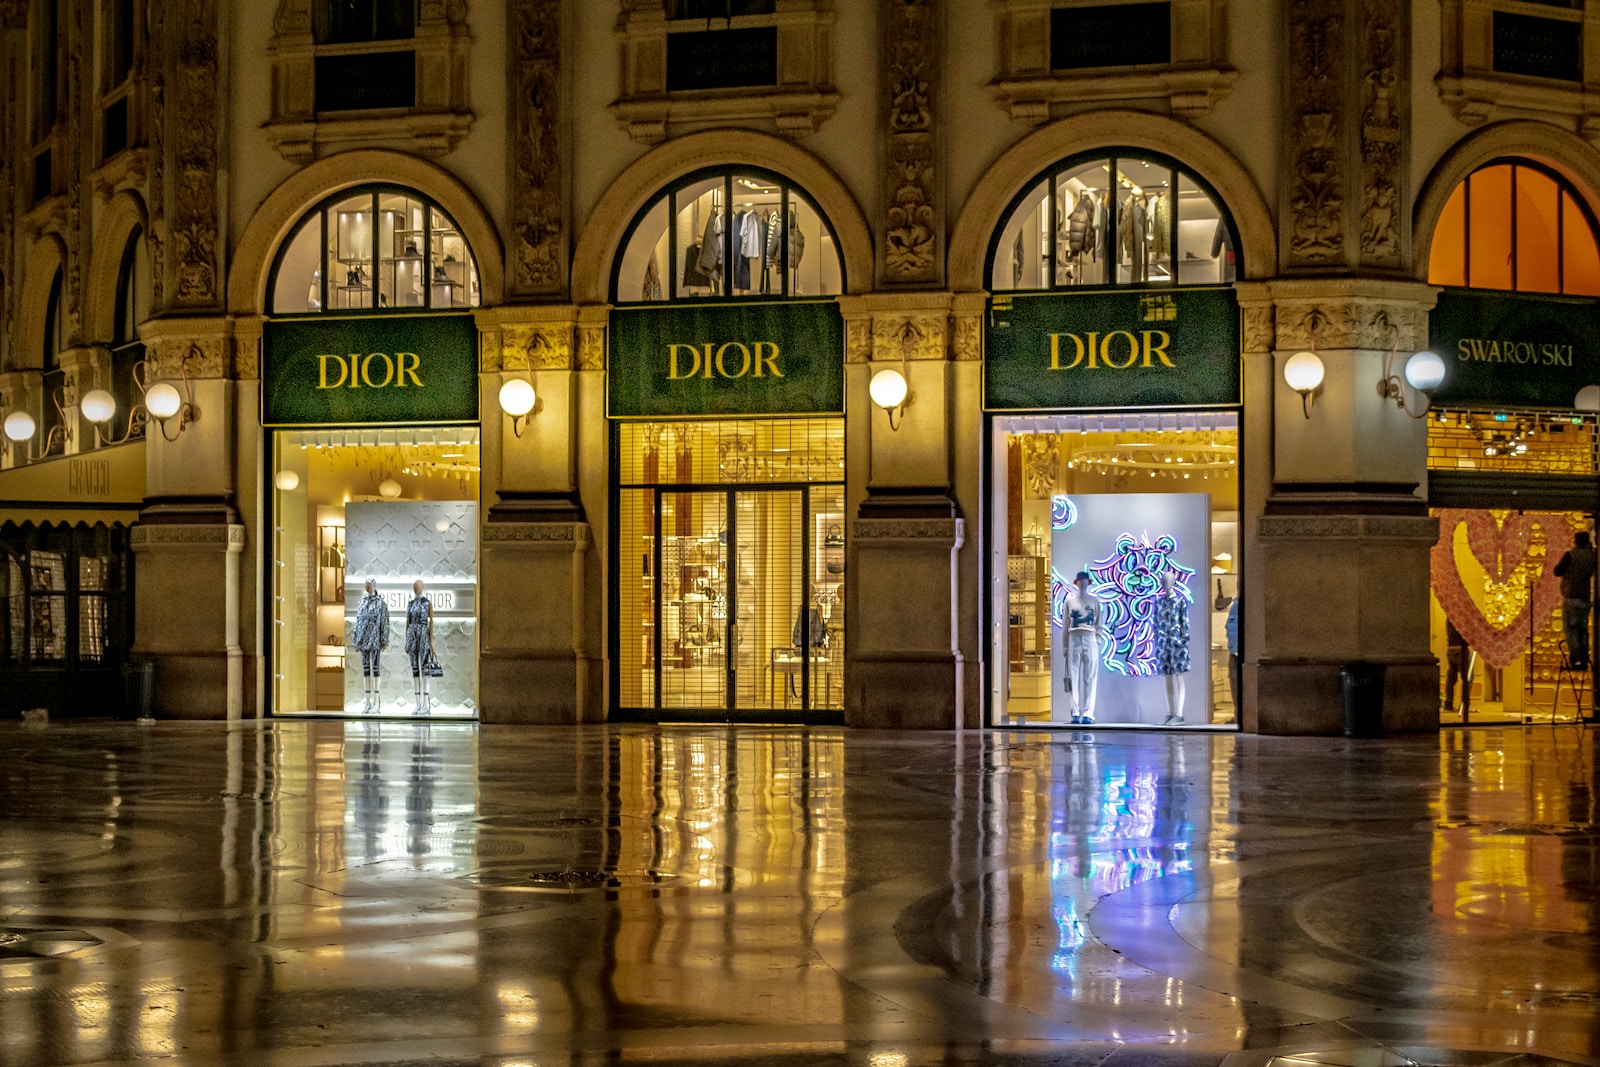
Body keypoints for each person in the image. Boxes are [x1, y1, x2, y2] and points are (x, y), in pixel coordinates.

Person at [1065, 571, 1105, 725]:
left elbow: (1099, 624)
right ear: (1077, 583)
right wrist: (1064, 646)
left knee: (1090, 678)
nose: (1082, 584)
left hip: (1090, 638)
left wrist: (1098, 639)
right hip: (1074, 637)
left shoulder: (1095, 602)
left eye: (1085, 581)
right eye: (1080, 581)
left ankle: (1088, 712)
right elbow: (1065, 625)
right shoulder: (1069, 601)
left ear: (1088, 583)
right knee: (1073, 677)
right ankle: (1075, 712)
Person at [1554, 531, 1597, 671]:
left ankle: (1576, 661)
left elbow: (1557, 571)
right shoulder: (1593, 556)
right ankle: (1584, 660)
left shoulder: (1570, 555)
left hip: (1571, 597)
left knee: (1572, 630)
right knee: (1583, 630)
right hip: (1585, 598)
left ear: (1576, 541)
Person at [1153, 572, 1191, 726]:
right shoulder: (1159, 602)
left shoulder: (1180, 601)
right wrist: (1157, 640)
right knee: (1167, 678)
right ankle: (1170, 712)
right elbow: (1155, 623)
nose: (1165, 583)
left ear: (1174, 582)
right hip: (1163, 645)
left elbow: (1185, 623)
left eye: (1168, 580)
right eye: (1164, 580)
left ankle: (1179, 714)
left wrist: (1183, 641)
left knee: (1179, 677)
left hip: (1177, 645)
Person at [350, 578, 389, 711]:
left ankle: (376, 702)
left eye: (370, 584)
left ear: (374, 586)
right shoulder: (361, 602)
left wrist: (384, 639)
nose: (367, 586)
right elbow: (357, 621)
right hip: (363, 639)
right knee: (366, 670)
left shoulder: (380, 603)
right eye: (366, 584)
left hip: (375, 639)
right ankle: (367, 702)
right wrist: (356, 639)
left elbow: (384, 621)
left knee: (376, 669)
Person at [405, 579, 435, 711]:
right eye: (415, 586)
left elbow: (432, 621)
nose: (416, 588)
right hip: (412, 636)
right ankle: (418, 703)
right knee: (415, 669)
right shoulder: (410, 604)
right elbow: (407, 622)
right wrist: (407, 640)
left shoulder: (427, 603)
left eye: (418, 586)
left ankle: (425, 703)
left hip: (423, 635)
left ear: (422, 587)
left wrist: (431, 641)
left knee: (425, 669)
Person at [1443, 617, 1469, 714]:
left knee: (1451, 678)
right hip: (1461, 649)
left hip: (1450, 648)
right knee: (1466, 678)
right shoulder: (1460, 617)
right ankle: (1464, 705)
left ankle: (1448, 704)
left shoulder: (1449, 617)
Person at [1225, 595, 1241, 721]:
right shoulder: (1236, 605)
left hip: (1236, 651)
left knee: (1236, 683)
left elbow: (1232, 627)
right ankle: (1238, 714)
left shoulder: (1238, 605)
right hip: (1235, 651)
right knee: (1235, 683)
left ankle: (1238, 714)